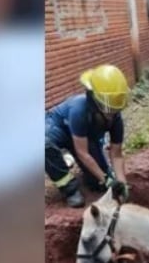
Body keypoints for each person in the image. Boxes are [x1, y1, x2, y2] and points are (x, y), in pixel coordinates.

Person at [45, 64, 130, 207]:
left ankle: (89, 177)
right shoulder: (79, 110)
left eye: (114, 111)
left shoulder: (115, 119)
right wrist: (107, 179)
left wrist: (121, 183)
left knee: (99, 182)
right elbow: (82, 153)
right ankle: (69, 189)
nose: (111, 115)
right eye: (108, 110)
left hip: (84, 136)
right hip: (59, 128)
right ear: (93, 100)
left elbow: (116, 154)